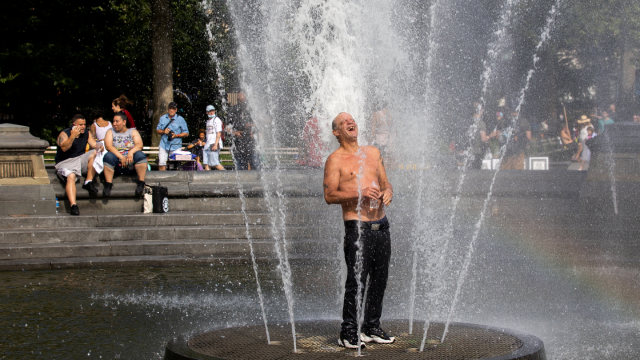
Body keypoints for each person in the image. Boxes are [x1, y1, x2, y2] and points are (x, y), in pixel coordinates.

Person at [323, 112, 394, 349]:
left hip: (381, 225)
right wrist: (359, 193)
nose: (350, 122)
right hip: (357, 227)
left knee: (380, 280)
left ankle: (371, 327)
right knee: (356, 281)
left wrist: (388, 192)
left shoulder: (373, 153)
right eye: (344, 122)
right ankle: (348, 331)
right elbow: (329, 195)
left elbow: (386, 183)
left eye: (352, 119)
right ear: (336, 132)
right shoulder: (335, 160)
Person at [54, 114, 103, 215]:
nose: (83, 127)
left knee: (94, 152)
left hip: (79, 160)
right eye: (80, 125)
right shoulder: (65, 133)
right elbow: (64, 148)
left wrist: (101, 146)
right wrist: (72, 136)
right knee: (71, 176)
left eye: (84, 124)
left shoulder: (86, 133)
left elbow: (94, 145)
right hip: (65, 162)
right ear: (74, 125)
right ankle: (73, 205)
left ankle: (88, 182)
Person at [103, 112, 147, 196]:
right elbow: (108, 146)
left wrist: (131, 152)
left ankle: (141, 183)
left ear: (124, 122)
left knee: (140, 155)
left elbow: (139, 145)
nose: (114, 124)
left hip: (131, 163)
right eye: (113, 121)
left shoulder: (132, 131)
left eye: (117, 121)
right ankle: (108, 184)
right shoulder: (110, 131)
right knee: (108, 156)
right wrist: (121, 157)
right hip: (117, 163)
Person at [156, 102, 189, 171]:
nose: (171, 110)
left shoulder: (180, 119)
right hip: (164, 145)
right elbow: (157, 130)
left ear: (176, 110)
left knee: (175, 165)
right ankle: (162, 179)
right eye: (170, 108)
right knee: (161, 163)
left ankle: (173, 180)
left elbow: (186, 133)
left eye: (173, 109)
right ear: (168, 109)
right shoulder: (163, 118)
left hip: (175, 146)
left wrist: (176, 135)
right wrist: (163, 131)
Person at [229, 92, 258, 170]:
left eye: (242, 97)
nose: (241, 99)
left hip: (251, 143)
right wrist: (235, 133)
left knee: (255, 166)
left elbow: (258, 124)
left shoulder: (251, 109)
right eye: (239, 98)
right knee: (241, 168)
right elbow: (226, 127)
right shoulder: (233, 110)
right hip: (238, 144)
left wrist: (249, 127)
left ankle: (257, 181)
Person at [203, 105, 225, 171]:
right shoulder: (207, 121)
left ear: (215, 111)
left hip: (213, 144)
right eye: (209, 111)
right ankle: (208, 179)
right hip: (207, 145)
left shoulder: (217, 120)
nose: (211, 112)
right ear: (207, 112)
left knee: (215, 163)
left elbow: (219, 132)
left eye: (212, 110)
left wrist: (216, 144)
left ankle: (228, 175)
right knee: (206, 164)